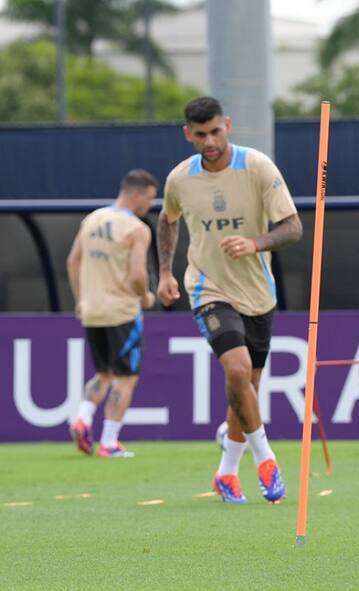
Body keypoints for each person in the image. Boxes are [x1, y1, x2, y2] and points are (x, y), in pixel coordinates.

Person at [157, 96, 303, 504]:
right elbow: (167, 220)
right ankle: (266, 460)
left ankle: (225, 472)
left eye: (215, 132)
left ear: (228, 126)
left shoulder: (257, 167)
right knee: (237, 371)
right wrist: (165, 272)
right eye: (200, 134)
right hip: (207, 288)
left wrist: (255, 243)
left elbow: (292, 228)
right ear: (188, 134)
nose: (209, 141)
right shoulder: (180, 178)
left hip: (257, 292)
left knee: (247, 387)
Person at [67, 169, 158, 458]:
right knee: (125, 378)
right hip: (122, 312)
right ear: (137, 195)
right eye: (149, 198)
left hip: (92, 310)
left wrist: (81, 299)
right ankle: (109, 442)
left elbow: (73, 261)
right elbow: (137, 274)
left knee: (103, 373)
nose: (150, 205)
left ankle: (82, 417)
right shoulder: (136, 229)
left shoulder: (92, 219)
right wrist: (145, 296)